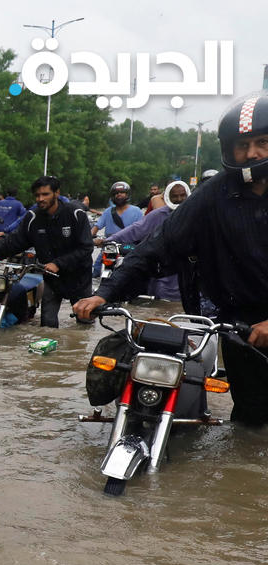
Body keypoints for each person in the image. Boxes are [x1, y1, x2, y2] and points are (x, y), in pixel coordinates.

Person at [75, 92, 268, 425]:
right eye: (242, 145)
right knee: (250, 422)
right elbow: (157, 246)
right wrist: (104, 292)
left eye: (262, 142)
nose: (251, 153)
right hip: (241, 325)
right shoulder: (213, 196)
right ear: (228, 149)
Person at [0, 175, 93, 328]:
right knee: (47, 325)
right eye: (37, 195)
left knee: (84, 323)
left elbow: (86, 248)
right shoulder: (33, 218)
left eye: (45, 194)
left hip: (79, 277)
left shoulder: (75, 214)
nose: (40, 199)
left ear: (56, 193)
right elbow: (13, 242)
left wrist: (58, 263)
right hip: (52, 279)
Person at [99, 180, 188, 301]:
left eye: (182, 195)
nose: (179, 199)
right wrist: (107, 240)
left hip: (188, 270)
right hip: (163, 272)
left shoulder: (197, 214)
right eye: (175, 196)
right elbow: (135, 229)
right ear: (168, 197)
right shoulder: (158, 215)